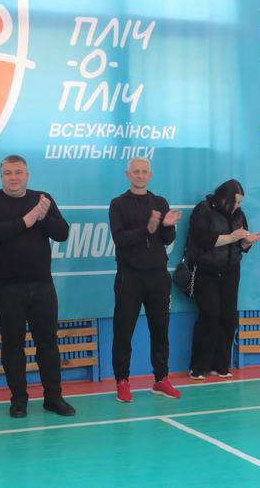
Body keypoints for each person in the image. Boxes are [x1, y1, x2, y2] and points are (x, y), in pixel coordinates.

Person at [0, 155, 75, 418]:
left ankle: (53, 397)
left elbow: (62, 233)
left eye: (18, 172)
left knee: (48, 343)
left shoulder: (42, 199)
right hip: (5, 288)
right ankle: (19, 400)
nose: (14, 177)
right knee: (13, 343)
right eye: (8, 173)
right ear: (1, 176)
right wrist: (25, 221)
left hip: (42, 285)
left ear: (27, 175)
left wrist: (42, 217)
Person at [109, 157, 183, 403]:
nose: (140, 175)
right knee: (123, 331)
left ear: (150, 175)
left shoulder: (160, 202)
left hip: (158, 276)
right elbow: (120, 239)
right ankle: (122, 381)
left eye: (144, 172)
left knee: (160, 330)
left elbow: (167, 239)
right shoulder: (118, 204)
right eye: (136, 171)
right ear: (128, 174)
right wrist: (147, 229)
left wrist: (167, 226)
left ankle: (161, 379)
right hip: (129, 276)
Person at [186, 179, 260, 380]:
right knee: (210, 315)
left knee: (228, 317)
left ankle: (221, 365)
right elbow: (203, 240)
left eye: (240, 202)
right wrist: (232, 237)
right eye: (234, 201)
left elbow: (240, 246)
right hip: (206, 270)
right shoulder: (203, 209)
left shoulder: (239, 214)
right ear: (223, 197)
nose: (237, 206)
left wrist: (247, 242)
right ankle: (198, 366)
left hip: (230, 270)